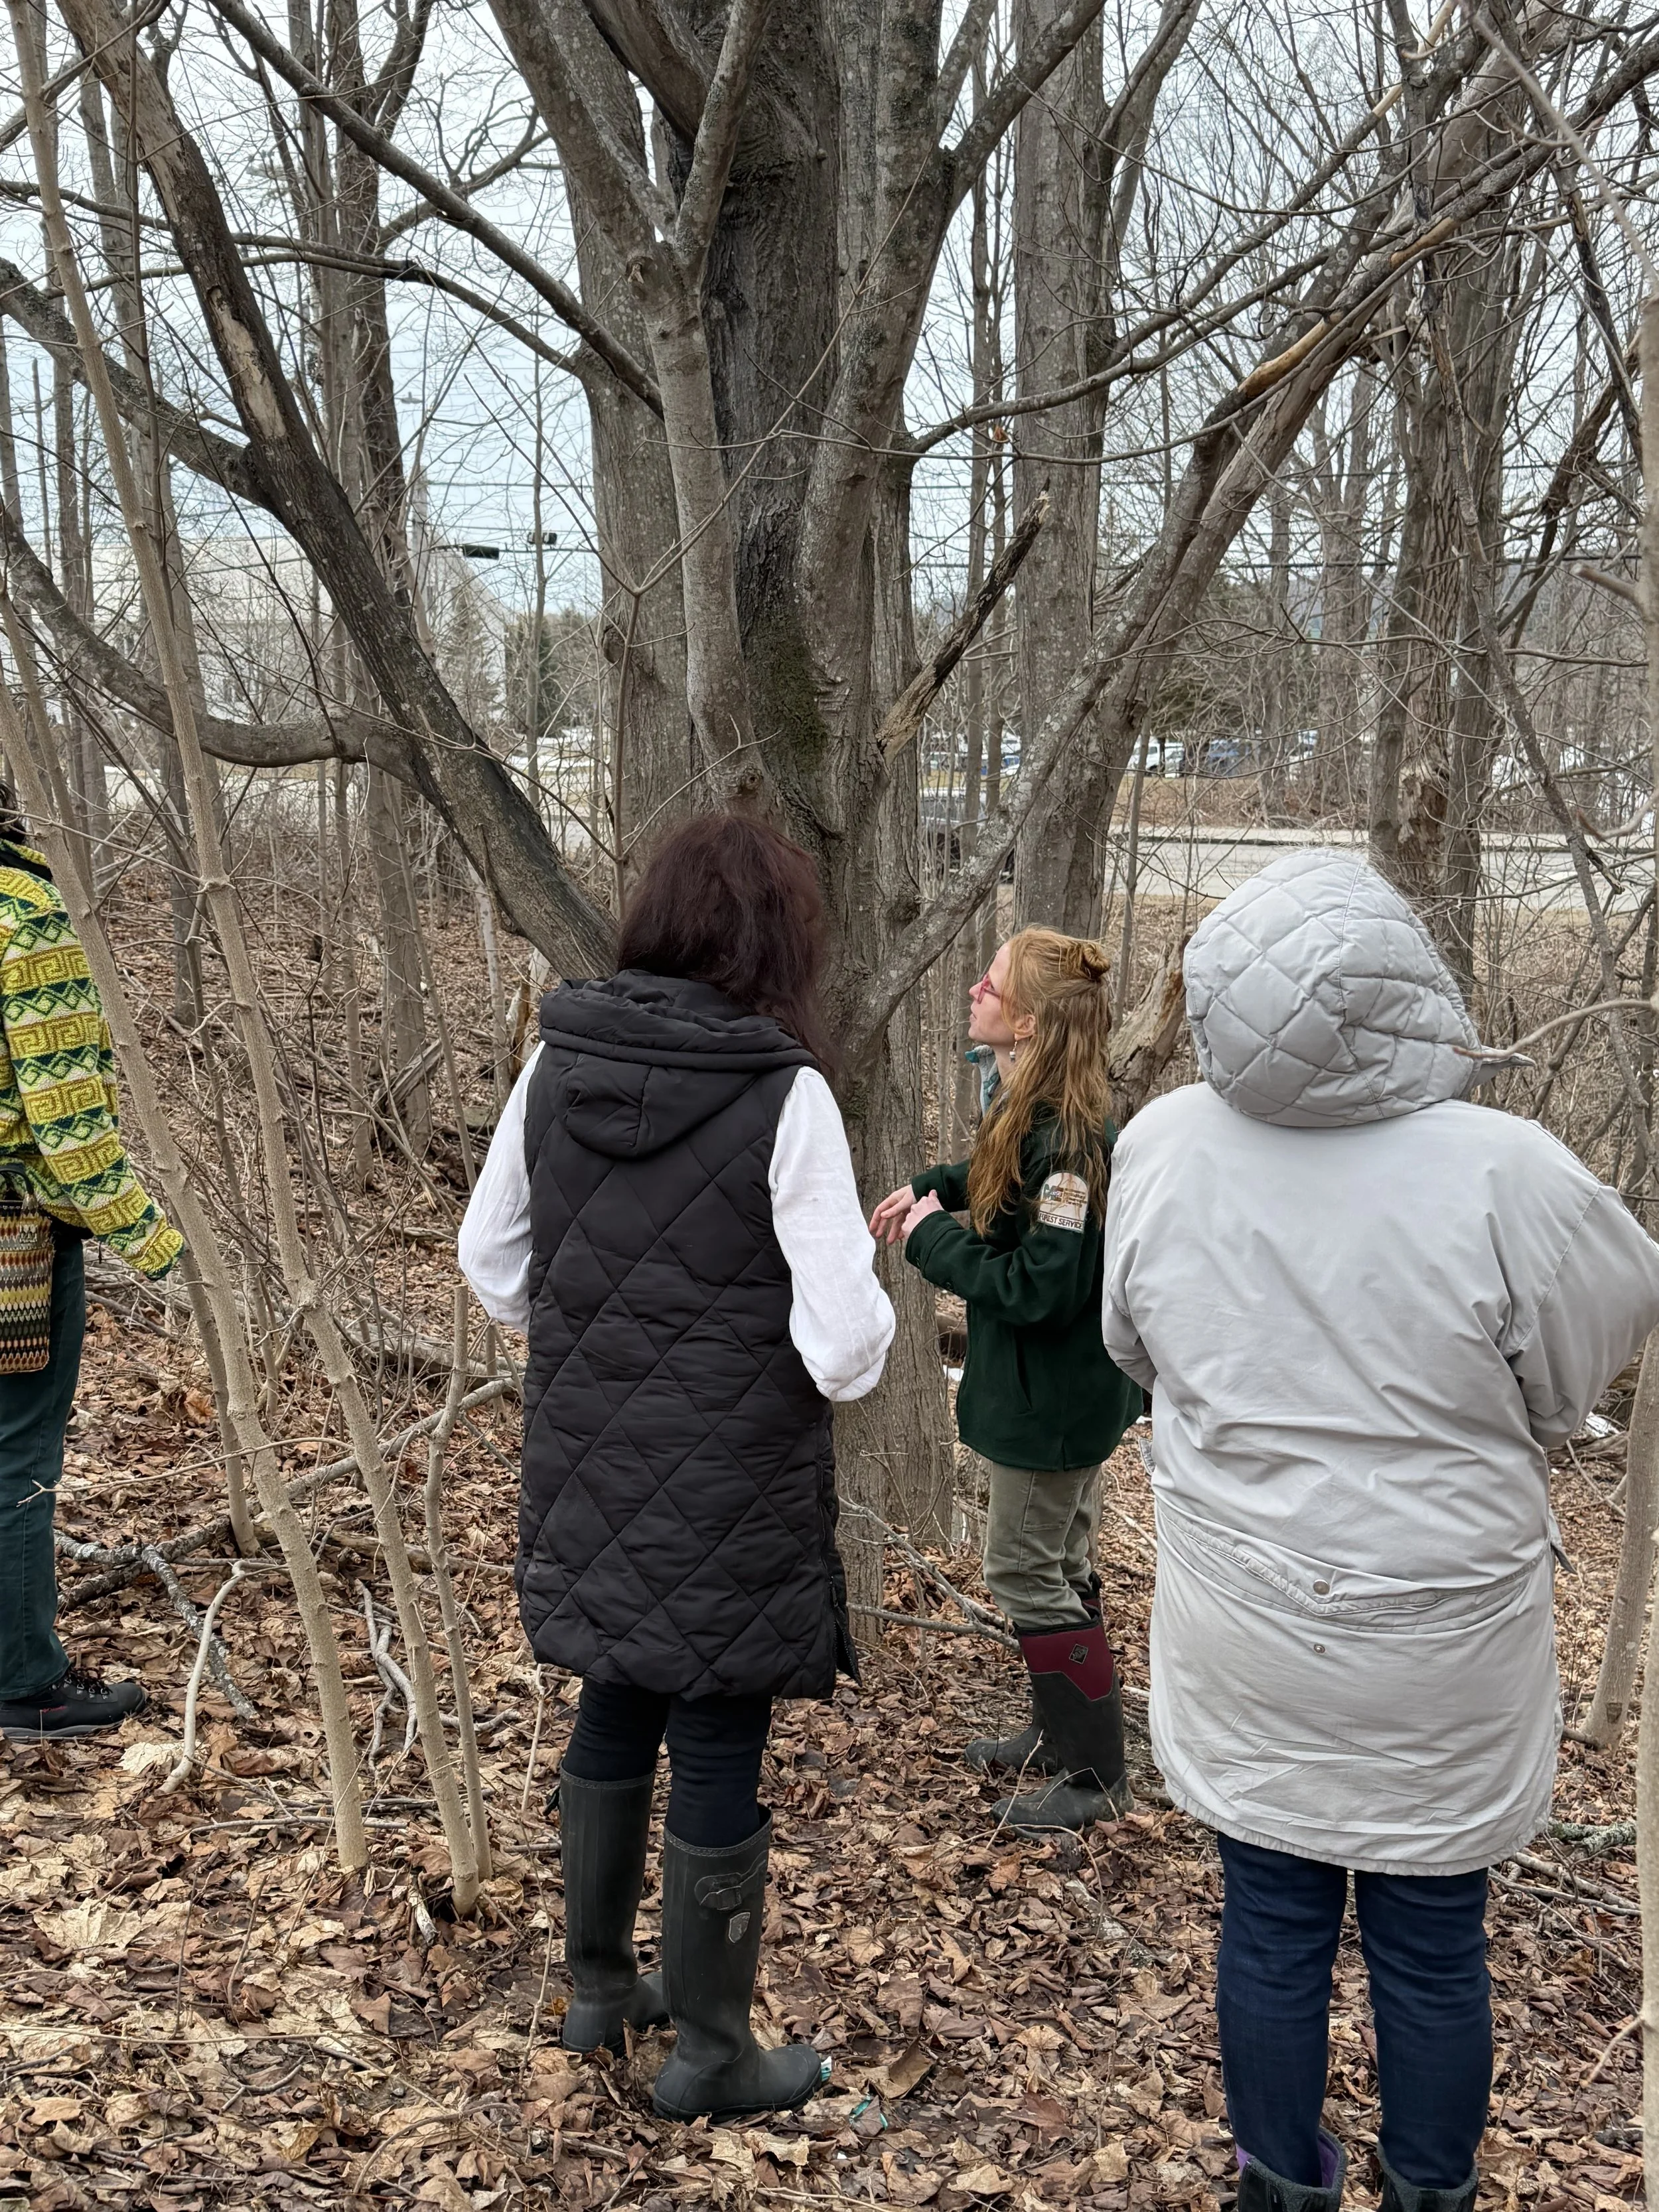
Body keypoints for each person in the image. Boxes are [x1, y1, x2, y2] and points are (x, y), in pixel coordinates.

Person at [1102, 849, 1659, 2212]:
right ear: (1406, 984)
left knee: (1271, 1921)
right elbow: (1580, 1368)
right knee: (1429, 1942)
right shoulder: (1508, 1173)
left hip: (1245, 1611)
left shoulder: (1161, 1141)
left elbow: (1130, 1342)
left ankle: (1274, 2186)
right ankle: (1430, 2191)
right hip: (1441, 1627)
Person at [459, 814, 894, 2124]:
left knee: (616, 1694)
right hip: (731, 1484)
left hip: (589, 1465)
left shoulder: (558, 1060)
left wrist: (598, 1343)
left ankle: (599, 1986)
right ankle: (709, 2049)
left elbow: (491, 1257)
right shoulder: (784, 1092)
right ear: (778, 940)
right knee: (711, 1724)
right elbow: (848, 1343)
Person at [870, 928, 1143, 1834]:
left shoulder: (1071, 1138)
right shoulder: (1032, 1105)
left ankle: (1095, 1776)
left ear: (1024, 1018)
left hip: (1052, 1402)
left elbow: (1039, 1286)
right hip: (1054, 1396)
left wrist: (929, 1240)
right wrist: (927, 1189)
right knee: (1060, 1567)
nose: (973, 991)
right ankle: (1059, 1737)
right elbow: (995, 1180)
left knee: (1026, 1572)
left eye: (989, 983)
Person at [0, 802, 183, 1741]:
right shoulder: (20, 911)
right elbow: (69, 1124)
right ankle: (26, 1686)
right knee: (15, 1459)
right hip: (13, 1247)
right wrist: (158, 1245)